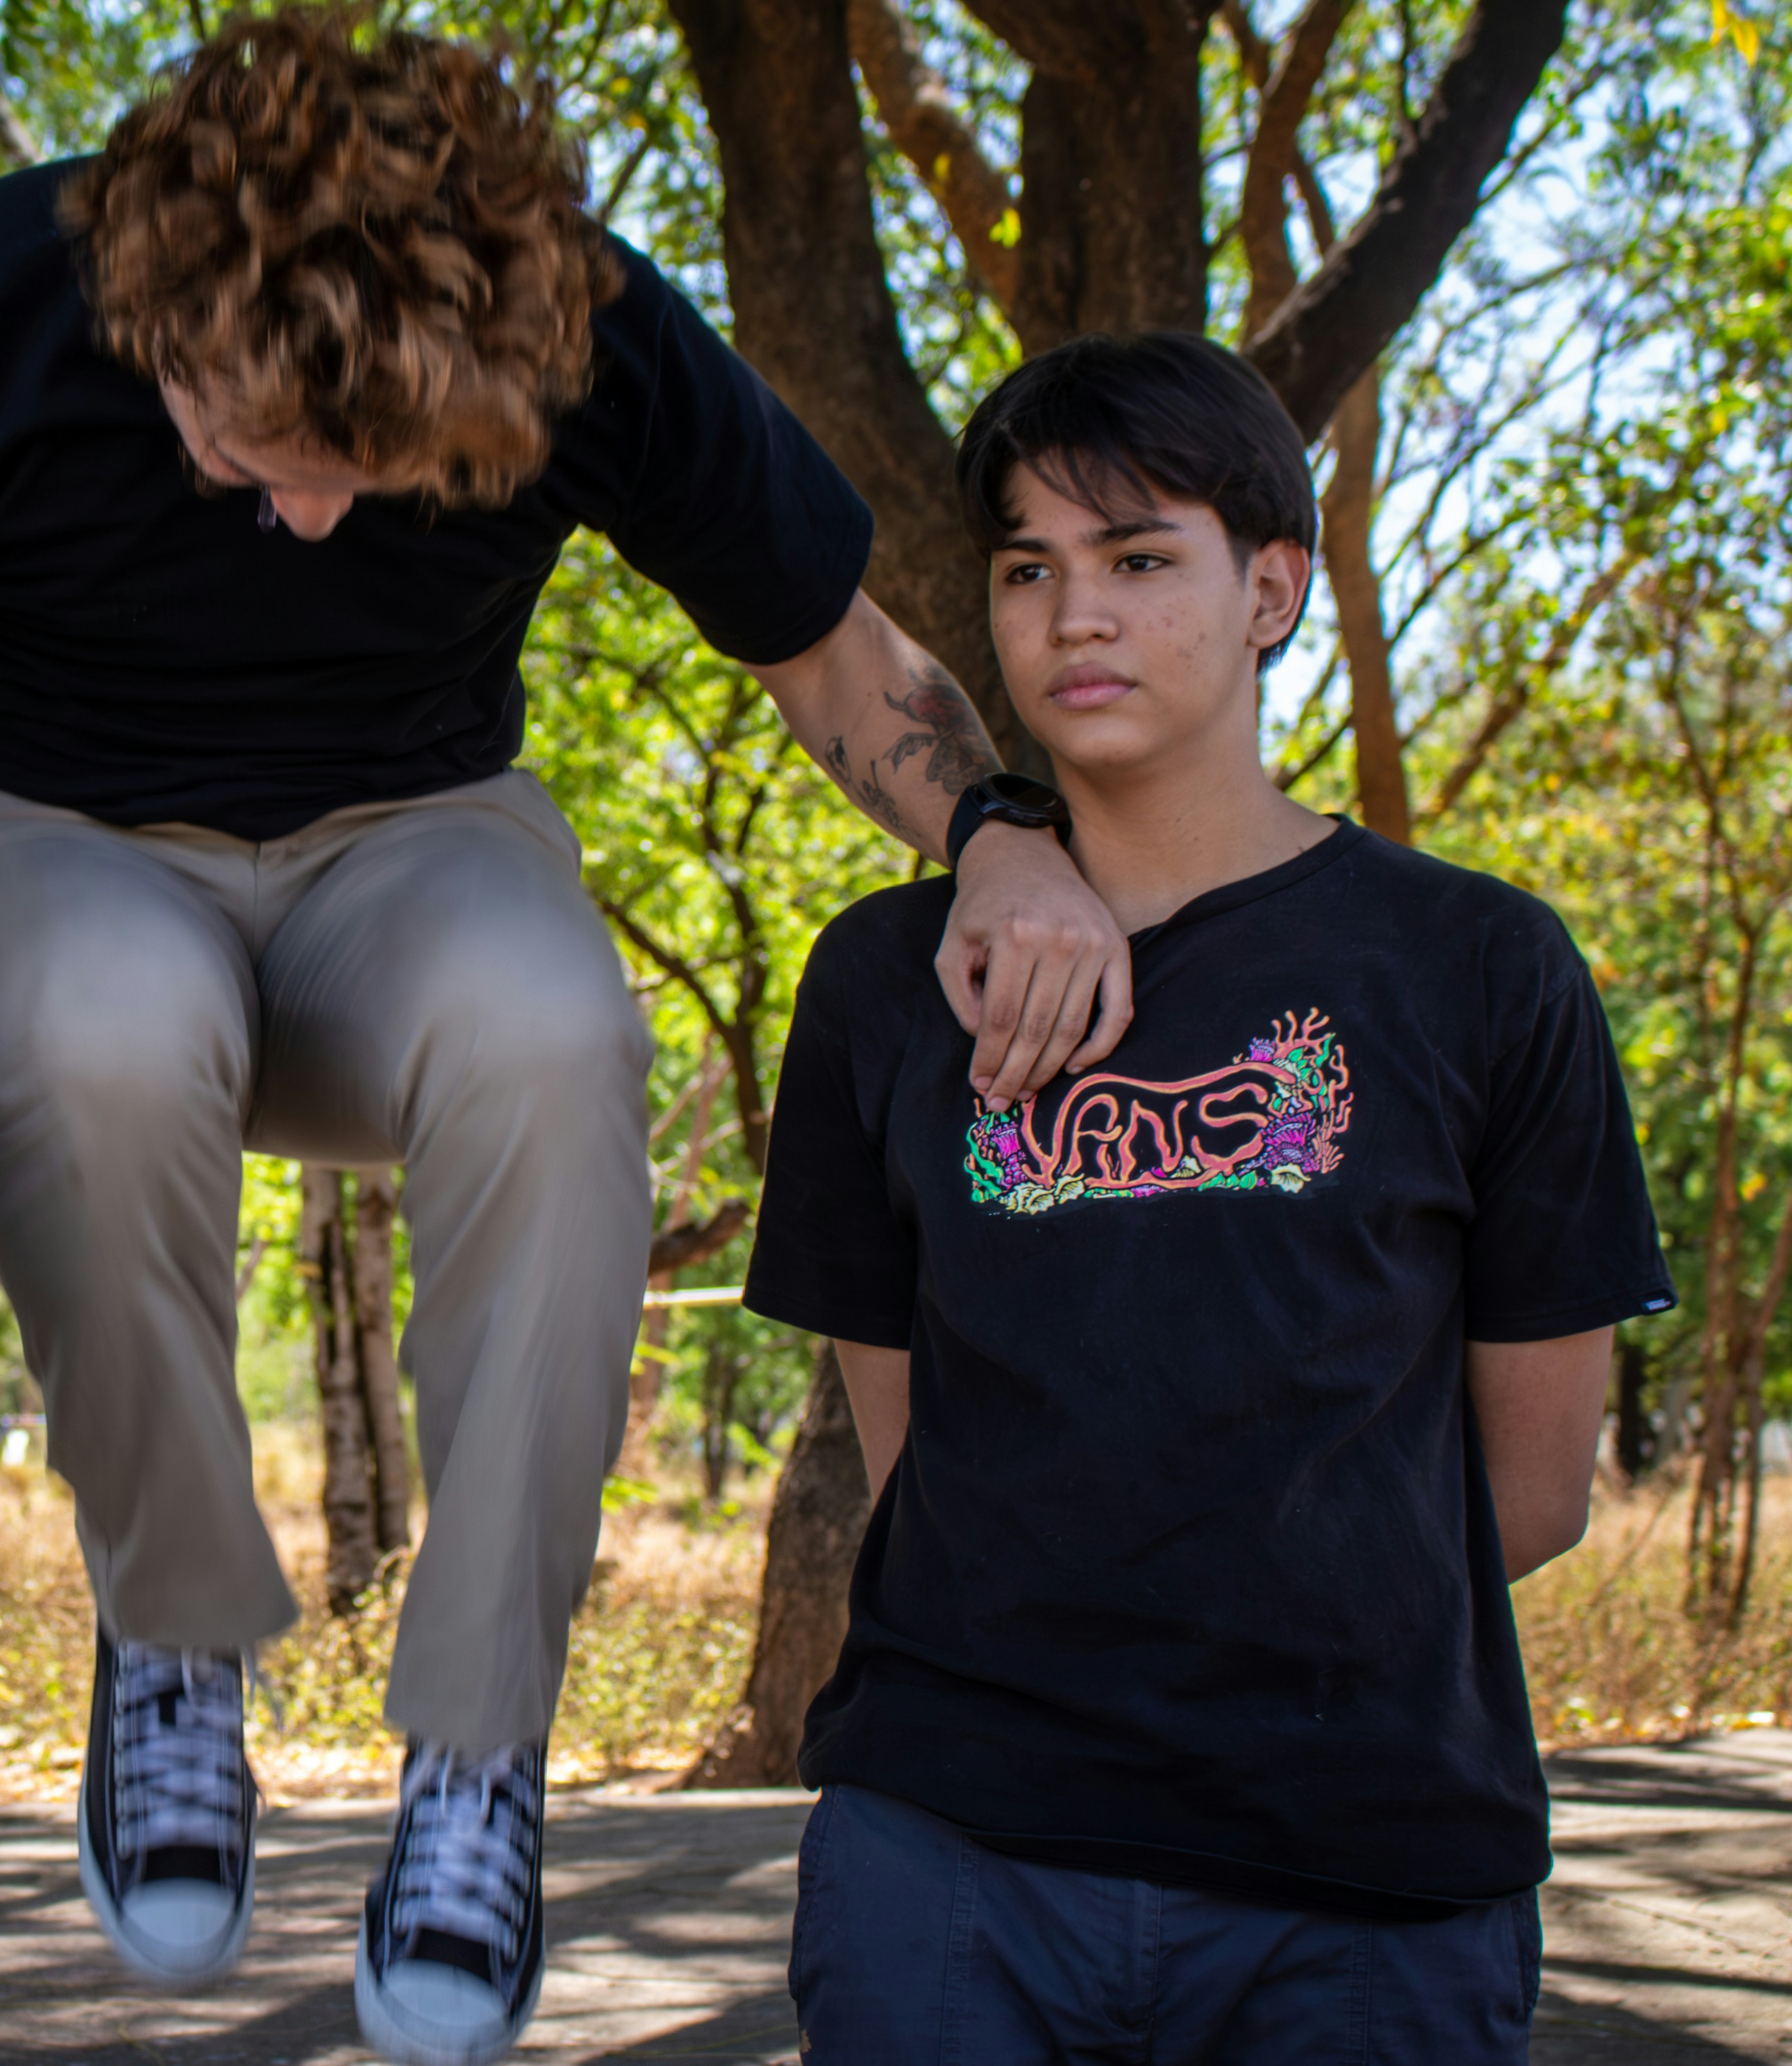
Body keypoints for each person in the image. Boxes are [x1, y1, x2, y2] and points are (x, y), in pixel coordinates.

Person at [0, 14, 1135, 2063]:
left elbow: (833, 654)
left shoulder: (588, 325)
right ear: (147, 300)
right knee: (124, 1013)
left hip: (412, 847)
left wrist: (1003, 841)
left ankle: (479, 1766)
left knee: (566, 1026)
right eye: (248, 447)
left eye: (367, 478)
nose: (304, 523)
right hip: (46, 839)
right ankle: (177, 1631)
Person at [743, 331, 1677, 2062]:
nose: (1073, 615)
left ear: (1273, 587)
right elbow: (912, 1463)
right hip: (950, 1866)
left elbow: (1534, 1491)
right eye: (1029, 569)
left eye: (1139, 558)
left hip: (1368, 1884)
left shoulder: (1479, 967)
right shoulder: (885, 984)